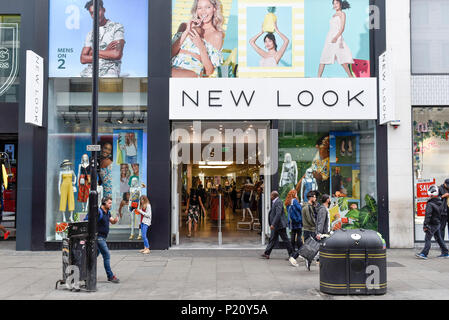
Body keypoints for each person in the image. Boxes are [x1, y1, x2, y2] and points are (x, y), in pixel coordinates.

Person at [171, 0, 224, 77]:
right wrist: (186, 31)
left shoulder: (216, 35)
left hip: (190, 73)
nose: (203, 12)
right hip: (171, 68)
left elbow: (209, 71)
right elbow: (170, 54)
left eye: (207, 7)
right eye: (200, 8)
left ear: (214, 9)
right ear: (196, 10)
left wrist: (201, 46)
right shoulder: (185, 26)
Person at [80, 0, 125, 77]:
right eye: (92, 13)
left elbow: (117, 54)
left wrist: (92, 52)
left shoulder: (117, 27)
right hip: (89, 72)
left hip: (109, 71)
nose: (96, 14)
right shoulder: (90, 34)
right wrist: (106, 52)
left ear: (104, 10)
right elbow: (83, 59)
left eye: (98, 10)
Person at [84, 196, 120, 283]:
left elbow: (112, 221)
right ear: (104, 203)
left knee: (93, 256)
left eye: (111, 203)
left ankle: (85, 273)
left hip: (103, 237)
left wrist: (116, 219)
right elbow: (87, 220)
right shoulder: (98, 212)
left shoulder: (107, 212)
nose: (111, 205)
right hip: (98, 237)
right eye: (109, 203)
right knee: (106, 255)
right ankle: (110, 276)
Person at [260, 191, 298, 267]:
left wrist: (273, 224)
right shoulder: (276, 202)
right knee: (273, 239)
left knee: (285, 240)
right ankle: (267, 253)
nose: (270, 196)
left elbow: (278, 214)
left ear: (273, 196)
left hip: (279, 225)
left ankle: (292, 254)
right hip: (277, 225)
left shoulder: (279, 202)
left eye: (271, 195)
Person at [318, 0, 354, 78]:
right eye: (334, 4)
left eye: (336, 3)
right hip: (329, 37)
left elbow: (342, 28)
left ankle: (350, 77)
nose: (335, 5)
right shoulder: (333, 15)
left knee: (341, 57)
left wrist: (336, 37)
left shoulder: (342, 14)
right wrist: (331, 37)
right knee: (324, 56)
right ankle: (318, 78)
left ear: (340, 4)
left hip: (337, 38)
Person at [416, 185, 449, 259]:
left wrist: (425, 225)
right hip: (437, 223)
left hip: (431, 224)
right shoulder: (440, 202)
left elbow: (428, 216)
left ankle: (424, 254)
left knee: (427, 239)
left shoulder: (430, 204)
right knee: (439, 238)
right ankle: (445, 252)